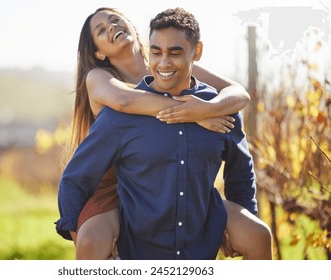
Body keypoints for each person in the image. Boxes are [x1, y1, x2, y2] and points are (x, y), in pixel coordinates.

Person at [56, 7, 272, 259]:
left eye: (115, 20)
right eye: (101, 30)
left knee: (256, 233)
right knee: (92, 238)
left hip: (172, 180)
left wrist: (208, 107)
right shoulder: (102, 80)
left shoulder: (168, 61)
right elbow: (124, 101)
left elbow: (238, 93)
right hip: (116, 184)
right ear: (98, 51)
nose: (111, 27)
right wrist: (194, 114)